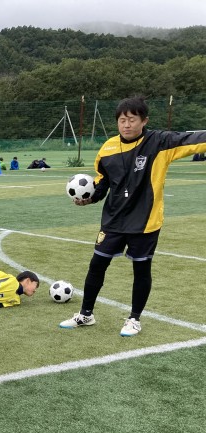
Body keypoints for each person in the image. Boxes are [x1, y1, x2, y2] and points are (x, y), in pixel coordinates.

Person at [60, 96, 206, 337]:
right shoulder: (107, 149)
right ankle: (86, 314)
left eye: (131, 120)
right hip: (114, 220)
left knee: (141, 269)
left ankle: (134, 319)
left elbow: (192, 140)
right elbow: (102, 183)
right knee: (97, 265)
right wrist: (89, 198)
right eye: (121, 120)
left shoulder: (160, 142)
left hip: (145, 222)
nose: (126, 125)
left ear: (144, 120)